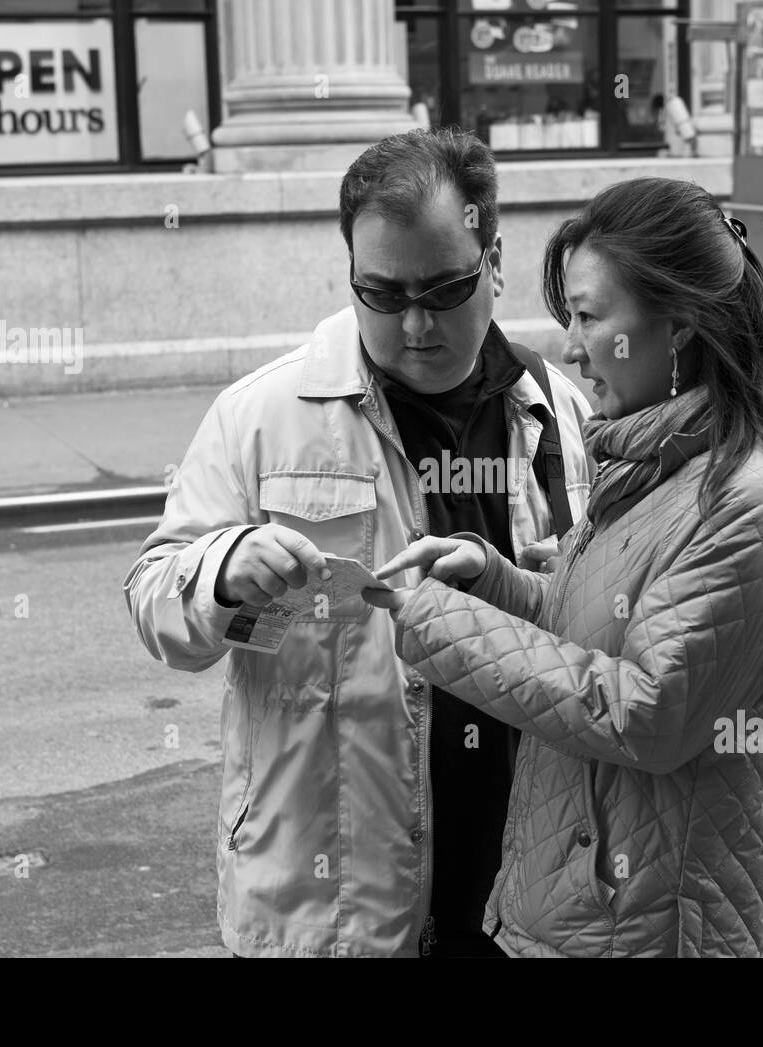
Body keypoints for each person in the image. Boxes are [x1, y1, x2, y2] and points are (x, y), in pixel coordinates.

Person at [122, 128, 593, 958]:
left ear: (494, 261)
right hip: (334, 903)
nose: (414, 324)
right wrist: (225, 575)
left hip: (526, 893)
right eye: (381, 293)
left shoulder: (561, 411)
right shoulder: (265, 415)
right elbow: (155, 603)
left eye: (443, 290)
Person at [365, 177, 763, 957]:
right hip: (582, 912)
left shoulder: (747, 499)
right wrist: (497, 582)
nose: (570, 346)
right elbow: (611, 625)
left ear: (677, 326)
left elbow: (646, 710)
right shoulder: (665, 461)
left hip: (643, 929)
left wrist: (439, 621)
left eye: (587, 315)